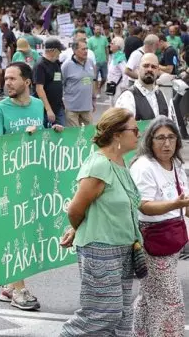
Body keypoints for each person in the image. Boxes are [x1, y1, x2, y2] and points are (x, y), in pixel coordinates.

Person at [60, 107, 142, 336]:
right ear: (117, 133)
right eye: (134, 129)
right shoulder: (99, 165)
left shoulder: (121, 163)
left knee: (123, 318)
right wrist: (79, 229)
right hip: (101, 249)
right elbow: (75, 209)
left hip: (124, 248)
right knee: (102, 314)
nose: (139, 134)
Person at [0, 62, 62, 311]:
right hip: (8, 184)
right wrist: (21, 138)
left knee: (25, 235)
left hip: (31, 182)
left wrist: (52, 133)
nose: (7, 82)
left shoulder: (38, 105)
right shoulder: (0, 109)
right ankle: (19, 291)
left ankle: (9, 286)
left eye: (12, 78)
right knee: (15, 235)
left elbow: (40, 141)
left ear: (27, 82)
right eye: (5, 79)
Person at [130, 116, 188, 336]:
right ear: (150, 141)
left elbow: (184, 201)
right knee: (171, 298)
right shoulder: (144, 166)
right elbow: (144, 206)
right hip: (153, 240)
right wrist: (176, 204)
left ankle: (142, 333)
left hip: (173, 238)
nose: (167, 143)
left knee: (150, 295)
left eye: (171, 137)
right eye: (160, 138)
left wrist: (181, 205)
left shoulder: (176, 164)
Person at [116, 53, 176, 121]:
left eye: (153, 67)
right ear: (138, 68)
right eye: (146, 66)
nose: (150, 69)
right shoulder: (127, 98)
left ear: (158, 71)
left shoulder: (161, 95)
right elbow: (123, 129)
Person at [61, 39, 96, 127]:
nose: (86, 51)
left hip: (87, 107)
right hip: (72, 108)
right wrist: (62, 103)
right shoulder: (67, 65)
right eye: (83, 49)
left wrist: (94, 99)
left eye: (86, 49)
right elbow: (61, 84)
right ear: (75, 50)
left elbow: (92, 81)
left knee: (88, 135)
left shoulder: (90, 62)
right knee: (74, 136)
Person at [34, 38, 65, 126]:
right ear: (53, 50)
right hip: (44, 110)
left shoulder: (56, 63)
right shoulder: (40, 65)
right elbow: (39, 88)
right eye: (59, 50)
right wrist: (48, 109)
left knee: (61, 134)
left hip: (58, 107)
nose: (60, 53)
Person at [107, 37, 128, 105]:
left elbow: (125, 72)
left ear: (118, 46)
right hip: (112, 85)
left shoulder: (120, 58)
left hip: (117, 87)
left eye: (112, 43)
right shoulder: (115, 56)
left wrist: (123, 86)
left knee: (116, 107)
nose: (110, 44)